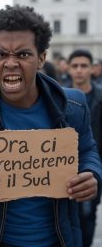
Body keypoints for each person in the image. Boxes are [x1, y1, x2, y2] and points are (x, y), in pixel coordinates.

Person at [0, 5, 102, 247]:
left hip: (58, 239)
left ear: (42, 58)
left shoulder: (73, 106)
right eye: (0, 54)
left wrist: (92, 174)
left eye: (23, 54)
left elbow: (88, 150)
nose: (10, 63)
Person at [67, 49, 102, 247]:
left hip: (91, 170)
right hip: (62, 172)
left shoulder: (100, 97)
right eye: (75, 66)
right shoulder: (58, 97)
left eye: (84, 66)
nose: (79, 70)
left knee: (87, 218)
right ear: (69, 69)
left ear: (92, 69)